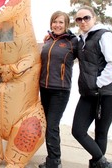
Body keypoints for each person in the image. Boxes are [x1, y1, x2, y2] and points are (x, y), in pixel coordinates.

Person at [71, 5, 112, 168]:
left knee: (101, 132)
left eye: (86, 17)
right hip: (88, 94)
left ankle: (97, 165)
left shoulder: (104, 35)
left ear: (94, 18)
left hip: (108, 94)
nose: (82, 21)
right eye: (79, 19)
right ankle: (103, 163)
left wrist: (97, 83)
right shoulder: (81, 40)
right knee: (78, 130)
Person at [38, 11, 78, 168]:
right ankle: (51, 159)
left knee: (52, 125)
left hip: (60, 90)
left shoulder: (73, 42)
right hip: (45, 88)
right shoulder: (48, 40)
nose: (57, 25)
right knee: (48, 125)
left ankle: (55, 161)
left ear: (66, 24)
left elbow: (88, 59)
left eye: (61, 22)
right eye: (55, 22)